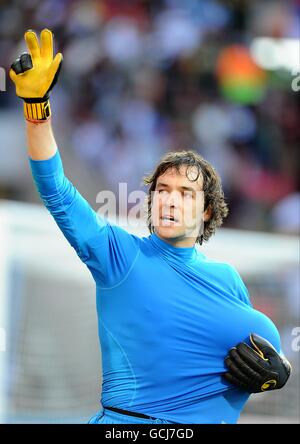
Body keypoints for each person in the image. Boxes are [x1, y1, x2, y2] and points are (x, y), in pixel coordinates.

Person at [10, 29, 291, 424]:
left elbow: (251, 363)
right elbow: (56, 190)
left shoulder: (227, 278)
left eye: (185, 193)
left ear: (208, 211)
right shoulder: (118, 255)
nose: (170, 199)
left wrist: (282, 371)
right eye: (162, 189)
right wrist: (36, 106)